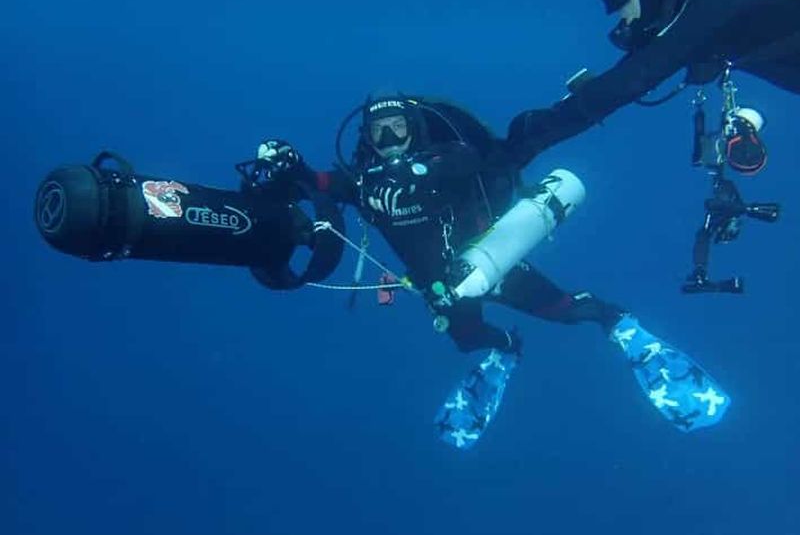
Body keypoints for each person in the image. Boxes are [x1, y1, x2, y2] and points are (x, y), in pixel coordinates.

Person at [246, 93, 731, 446]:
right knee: (467, 339)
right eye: (379, 132)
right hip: (442, 290)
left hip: (492, 263)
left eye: (398, 128)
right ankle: (508, 349)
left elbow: (462, 163)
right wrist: (292, 166)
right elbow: (322, 183)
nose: (390, 139)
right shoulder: (363, 183)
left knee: (564, 311)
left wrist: (414, 172)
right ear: (366, 139)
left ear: (415, 129)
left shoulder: (446, 158)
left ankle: (616, 322)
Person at [507, 0, 800, 162]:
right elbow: (655, 56)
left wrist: (535, 133)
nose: (616, 11)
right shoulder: (707, 9)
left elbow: (645, 70)